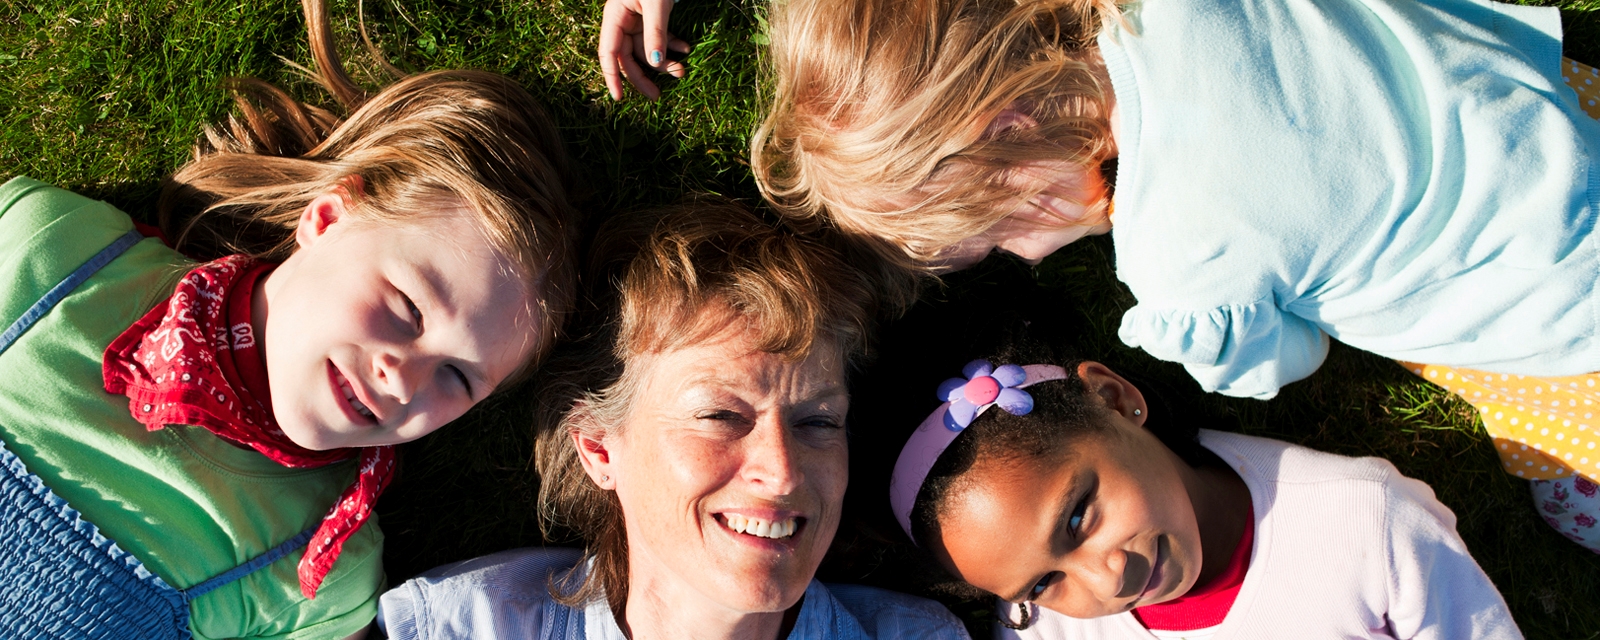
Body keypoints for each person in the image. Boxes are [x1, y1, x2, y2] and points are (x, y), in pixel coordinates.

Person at [598, 0, 1600, 550]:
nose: (1020, 252)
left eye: (994, 230)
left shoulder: (1181, 266)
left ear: (1010, 131)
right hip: (1555, 111)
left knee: (1573, 495)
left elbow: (1285, 359)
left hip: (1556, 325)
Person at [0, 0, 578, 636]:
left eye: (457, 378)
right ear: (327, 220)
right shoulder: (54, 254)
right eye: (407, 307)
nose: (404, 379)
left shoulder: (321, 574)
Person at [375, 202, 968, 640]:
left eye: (818, 422)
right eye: (720, 414)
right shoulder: (454, 629)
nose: (783, 472)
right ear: (599, 449)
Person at [882, 322, 1521, 639]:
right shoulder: (1049, 629)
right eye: (1043, 583)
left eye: (1079, 516)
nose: (1109, 580)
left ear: (1113, 398)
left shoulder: (1368, 522)